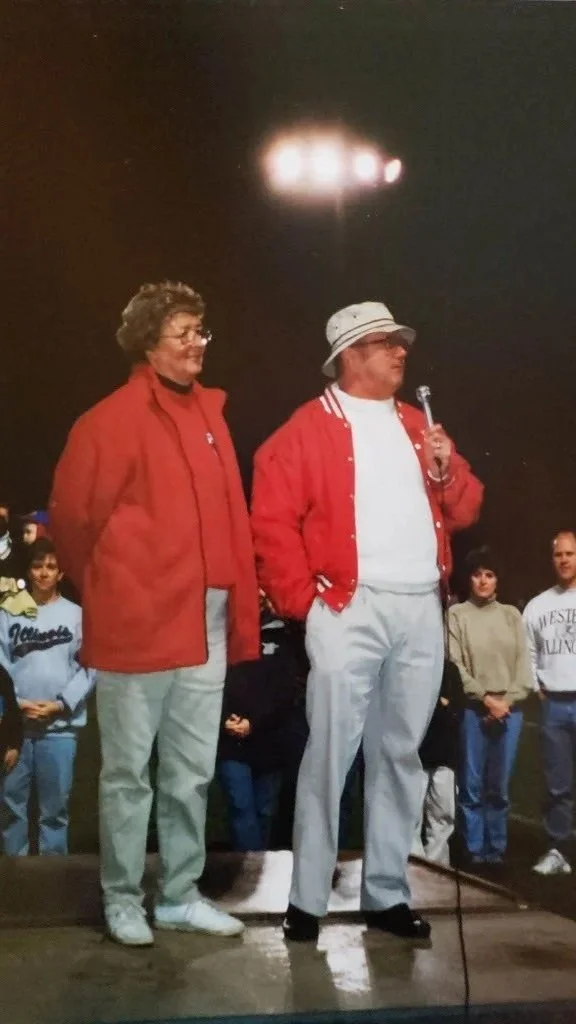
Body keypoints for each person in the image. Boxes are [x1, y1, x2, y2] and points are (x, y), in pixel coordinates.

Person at [251, 300, 483, 942]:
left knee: (400, 754)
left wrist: (448, 470)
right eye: (386, 343)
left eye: (400, 342)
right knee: (330, 750)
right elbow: (271, 522)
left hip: (418, 605)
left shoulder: (419, 423)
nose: (401, 351)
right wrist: (305, 603)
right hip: (348, 605)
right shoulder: (304, 429)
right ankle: (307, 900)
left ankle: (386, 892)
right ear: (350, 355)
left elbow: (464, 507)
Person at [49, 281, 260, 945]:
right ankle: (121, 898)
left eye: (202, 331)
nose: (198, 343)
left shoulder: (212, 416)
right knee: (127, 772)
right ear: (149, 340)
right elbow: (72, 522)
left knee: (191, 770)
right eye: (184, 332)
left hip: (208, 618)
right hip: (139, 619)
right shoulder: (107, 420)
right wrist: (117, 589)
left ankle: (177, 893)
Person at [0, 538, 95, 855]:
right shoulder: (9, 613)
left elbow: (90, 666)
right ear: (29, 569)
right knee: (12, 811)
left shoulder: (76, 616)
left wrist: (59, 705)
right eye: (38, 566)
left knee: (54, 814)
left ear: (61, 573)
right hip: (16, 732)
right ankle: (16, 887)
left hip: (60, 730)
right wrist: (15, 706)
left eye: (50, 567)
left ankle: (55, 887)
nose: (43, 573)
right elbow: (1, 664)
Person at [449, 548, 532, 867]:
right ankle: (473, 851)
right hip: (475, 709)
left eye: (489, 574)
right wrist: (485, 699)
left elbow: (524, 665)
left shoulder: (511, 614)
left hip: (509, 710)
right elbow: (456, 664)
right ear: (469, 578)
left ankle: (495, 850)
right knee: (471, 786)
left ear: (497, 579)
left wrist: (506, 701)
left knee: (498, 785)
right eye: (477, 574)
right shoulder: (456, 615)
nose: (483, 581)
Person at [217, 596, 300, 851]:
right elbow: (208, 681)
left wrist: (255, 723)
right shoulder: (220, 630)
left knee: (265, 812)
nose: (258, 595)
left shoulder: (284, 634)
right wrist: (225, 719)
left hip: (270, 740)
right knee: (241, 809)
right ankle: (248, 873)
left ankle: (259, 873)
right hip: (231, 741)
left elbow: (287, 689)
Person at [523, 530, 576, 876]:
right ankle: (559, 850)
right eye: (559, 554)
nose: (565, 560)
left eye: (570, 554)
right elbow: (527, 653)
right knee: (558, 784)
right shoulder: (538, 605)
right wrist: (537, 687)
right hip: (555, 704)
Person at [412, 660, 462, 867]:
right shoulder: (407, 665)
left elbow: (457, 705)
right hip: (414, 755)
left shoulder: (449, 669)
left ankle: (438, 867)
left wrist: (440, 705)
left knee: (443, 814)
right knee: (411, 816)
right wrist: (439, 703)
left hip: (445, 755)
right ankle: (412, 863)